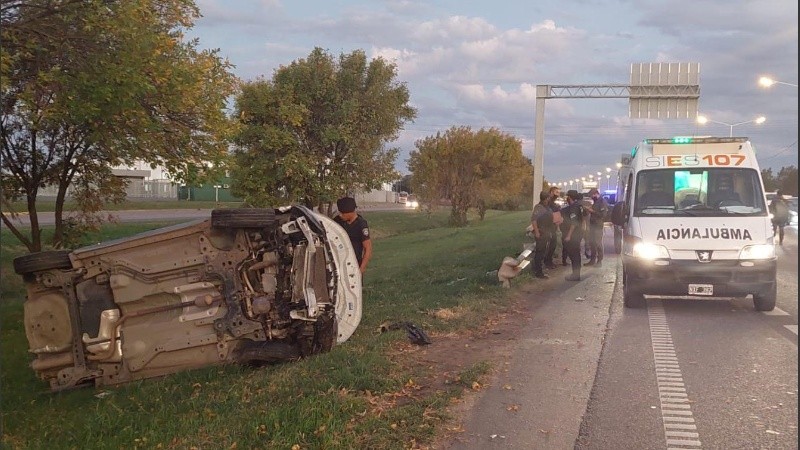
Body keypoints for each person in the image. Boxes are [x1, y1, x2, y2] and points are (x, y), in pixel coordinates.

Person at [333, 196, 372, 273]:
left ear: (350, 212)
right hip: (339, 262)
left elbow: (368, 248)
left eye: (343, 213)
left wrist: (361, 268)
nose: (340, 215)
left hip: (354, 263)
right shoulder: (338, 221)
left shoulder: (361, 224)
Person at [530, 190, 554, 279]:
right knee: (540, 252)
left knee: (543, 251)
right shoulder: (539, 207)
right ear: (546, 198)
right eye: (549, 197)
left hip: (547, 232)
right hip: (541, 233)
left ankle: (540, 269)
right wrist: (536, 232)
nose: (549, 199)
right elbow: (533, 220)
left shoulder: (547, 207)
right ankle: (538, 272)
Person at [562, 190, 585, 281]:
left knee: (574, 254)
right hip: (578, 233)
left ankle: (575, 275)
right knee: (576, 254)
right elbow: (583, 218)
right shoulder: (579, 206)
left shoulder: (574, 207)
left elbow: (574, 223)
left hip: (574, 235)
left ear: (570, 197)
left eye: (568, 196)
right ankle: (576, 274)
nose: (567, 198)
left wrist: (568, 235)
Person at [584, 188, 609, 267]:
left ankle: (599, 261)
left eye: (592, 195)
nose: (591, 197)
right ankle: (592, 260)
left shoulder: (602, 202)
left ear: (596, 193)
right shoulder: (595, 202)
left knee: (598, 243)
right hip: (592, 225)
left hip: (598, 225)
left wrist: (592, 211)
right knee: (592, 243)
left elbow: (603, 215)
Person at [545, 186, 562, 268]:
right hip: (549, 226)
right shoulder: (548, 201)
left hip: (553, 225)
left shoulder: (553, 202)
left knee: (553, 244)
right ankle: (547, 262)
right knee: (551, 244)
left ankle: (549, 260)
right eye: (556, 192)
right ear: (551, 192)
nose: (558, 194)